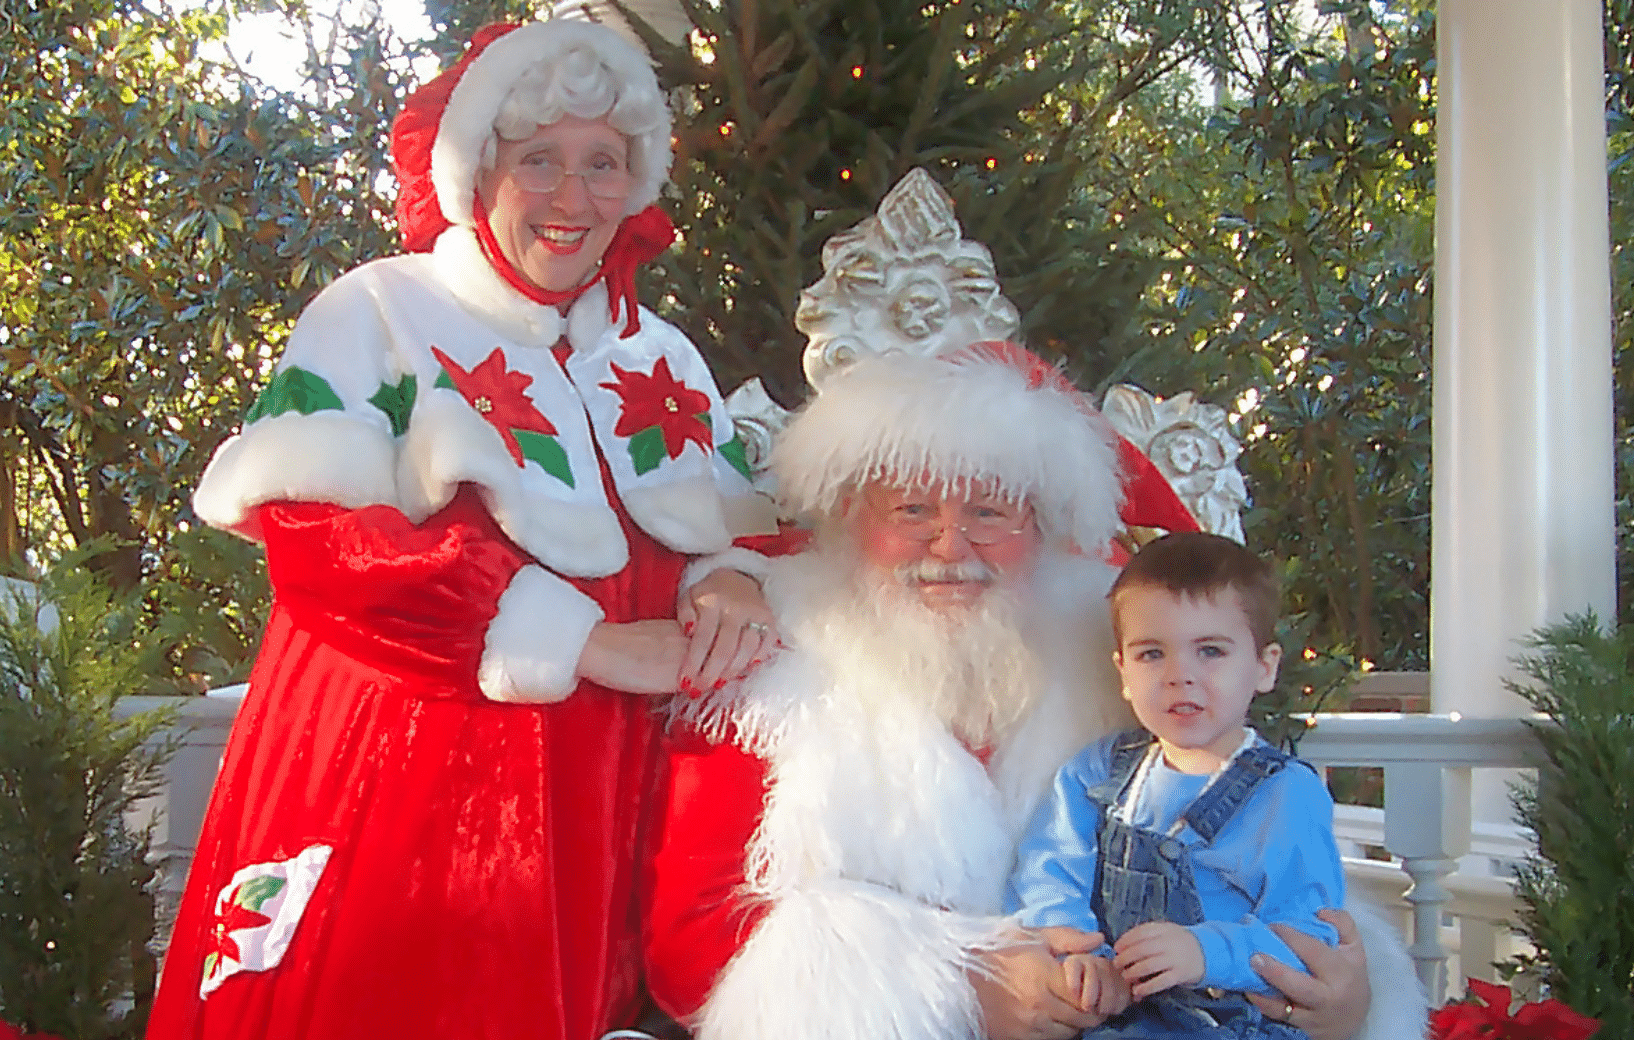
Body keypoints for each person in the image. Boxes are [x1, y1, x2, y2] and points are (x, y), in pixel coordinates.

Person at [148, 19, 779, 1040]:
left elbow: (745, 525)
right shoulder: (383, 313)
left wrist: (732, 580)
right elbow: (322, 543)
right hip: (412, 804)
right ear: (481, 169)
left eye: (602, 164)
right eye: (541, 161)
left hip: (619, 809)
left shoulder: (662, 353)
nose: (574, 200)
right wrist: (586, 641)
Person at [642, 344, 1427, 1040]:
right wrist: (959, 984)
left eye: (988, 513)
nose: (950, 548)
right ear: (851, 518)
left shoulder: (1129, 654)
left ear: (1043, 527)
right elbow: (692, 943)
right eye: (912, 510)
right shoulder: (770, 668)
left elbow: (1263, 857)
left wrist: (1343, 998)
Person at [1007, 531, 1346, 1039]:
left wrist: (1206, 951)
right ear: (1122, 671)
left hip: (1231, 1024)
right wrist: (1078, 950)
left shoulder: (1284, 795)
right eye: (1151, 654)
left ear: (1264, 666)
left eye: (1210, 650)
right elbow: (1048, 867)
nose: (1180, 675)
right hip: (1117, 1016)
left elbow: (1312, 935)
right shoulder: (1100, 772)